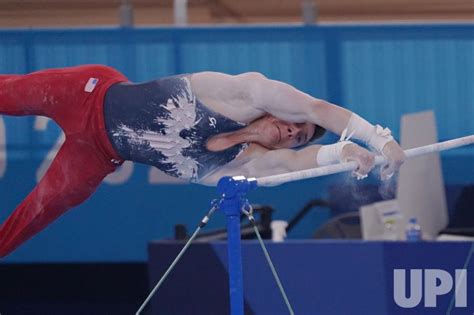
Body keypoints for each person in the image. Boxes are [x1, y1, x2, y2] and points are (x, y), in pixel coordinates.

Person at [0, 65, 405, 257]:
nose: (291, 133)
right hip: (87, 92)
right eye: (294, 125)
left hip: (97, 154)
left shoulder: (241, 166)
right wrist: (378, 139)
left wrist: (342, 152)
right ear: (279, 112)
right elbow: (316, 107)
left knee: (33, 216)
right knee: (8, 92)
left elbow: (290, 167)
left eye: (297, 139)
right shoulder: (241, 94)